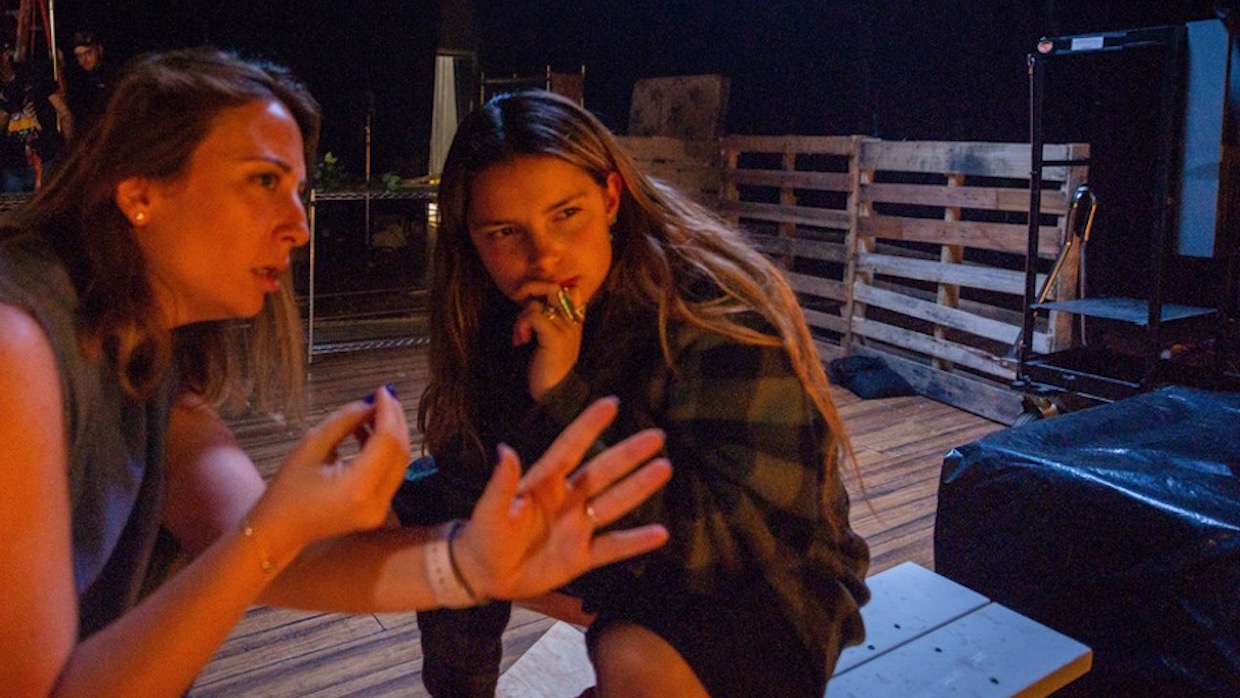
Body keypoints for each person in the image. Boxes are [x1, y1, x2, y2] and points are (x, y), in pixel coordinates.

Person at [0, 48, 674, 697]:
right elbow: (261, 544)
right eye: (265, 181)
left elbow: (255, 541)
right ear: (141, 192)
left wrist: (465, 562)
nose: (298, 227)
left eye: (298, 191)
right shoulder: (17, 344)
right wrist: (280, 528)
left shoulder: (151, 357)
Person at [404, 89, 871, 698]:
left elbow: (726, 542)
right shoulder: (494, 312)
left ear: (610, 197)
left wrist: (560, 390)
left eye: (565, 214)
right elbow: (469, 479)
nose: (543, 256)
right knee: (427, 514)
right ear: (469, 238)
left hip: (766, 583)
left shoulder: (718, 313)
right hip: (620, 558)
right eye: (504, 231)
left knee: (634, 659)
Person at [0, 42, 72, 191]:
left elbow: (63, 111)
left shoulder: (33, 74)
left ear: (5, 57)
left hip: (45, 158)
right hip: (13, 166)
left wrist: (71, 149)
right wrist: (7, 107)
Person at [64, 29, 112, 136]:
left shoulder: (112, 75)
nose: (84, 60)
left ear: (99, 49)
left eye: (88, 53)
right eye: (79, 56)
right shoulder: (79, 80)